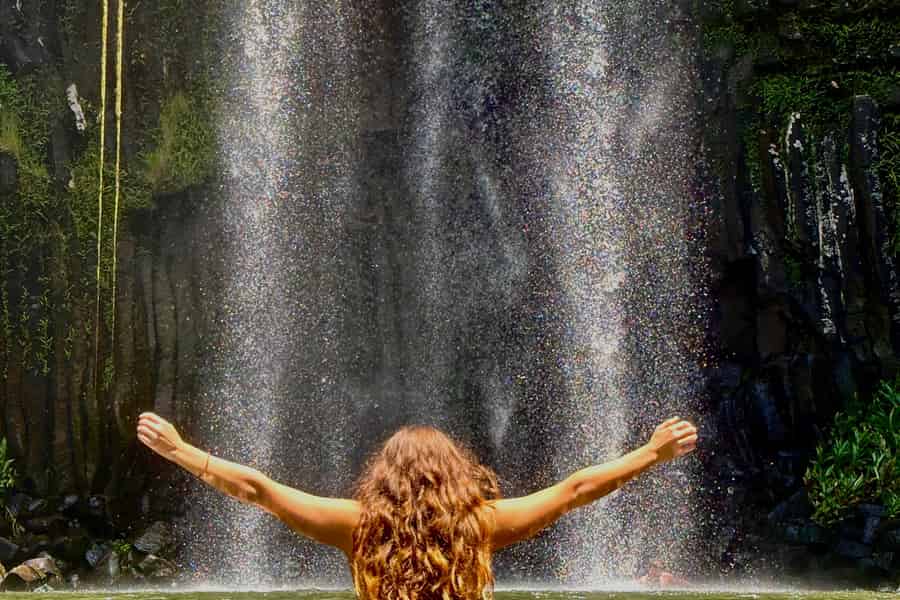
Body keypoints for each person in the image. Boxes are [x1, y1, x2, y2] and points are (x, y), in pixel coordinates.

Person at [137, 412, 697, 599]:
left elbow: (258, 489)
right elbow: (575, 491)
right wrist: (650, 452)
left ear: (384, 476)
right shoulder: (480, 526)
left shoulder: (356, 525)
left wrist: (184, 451)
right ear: (454, 475)